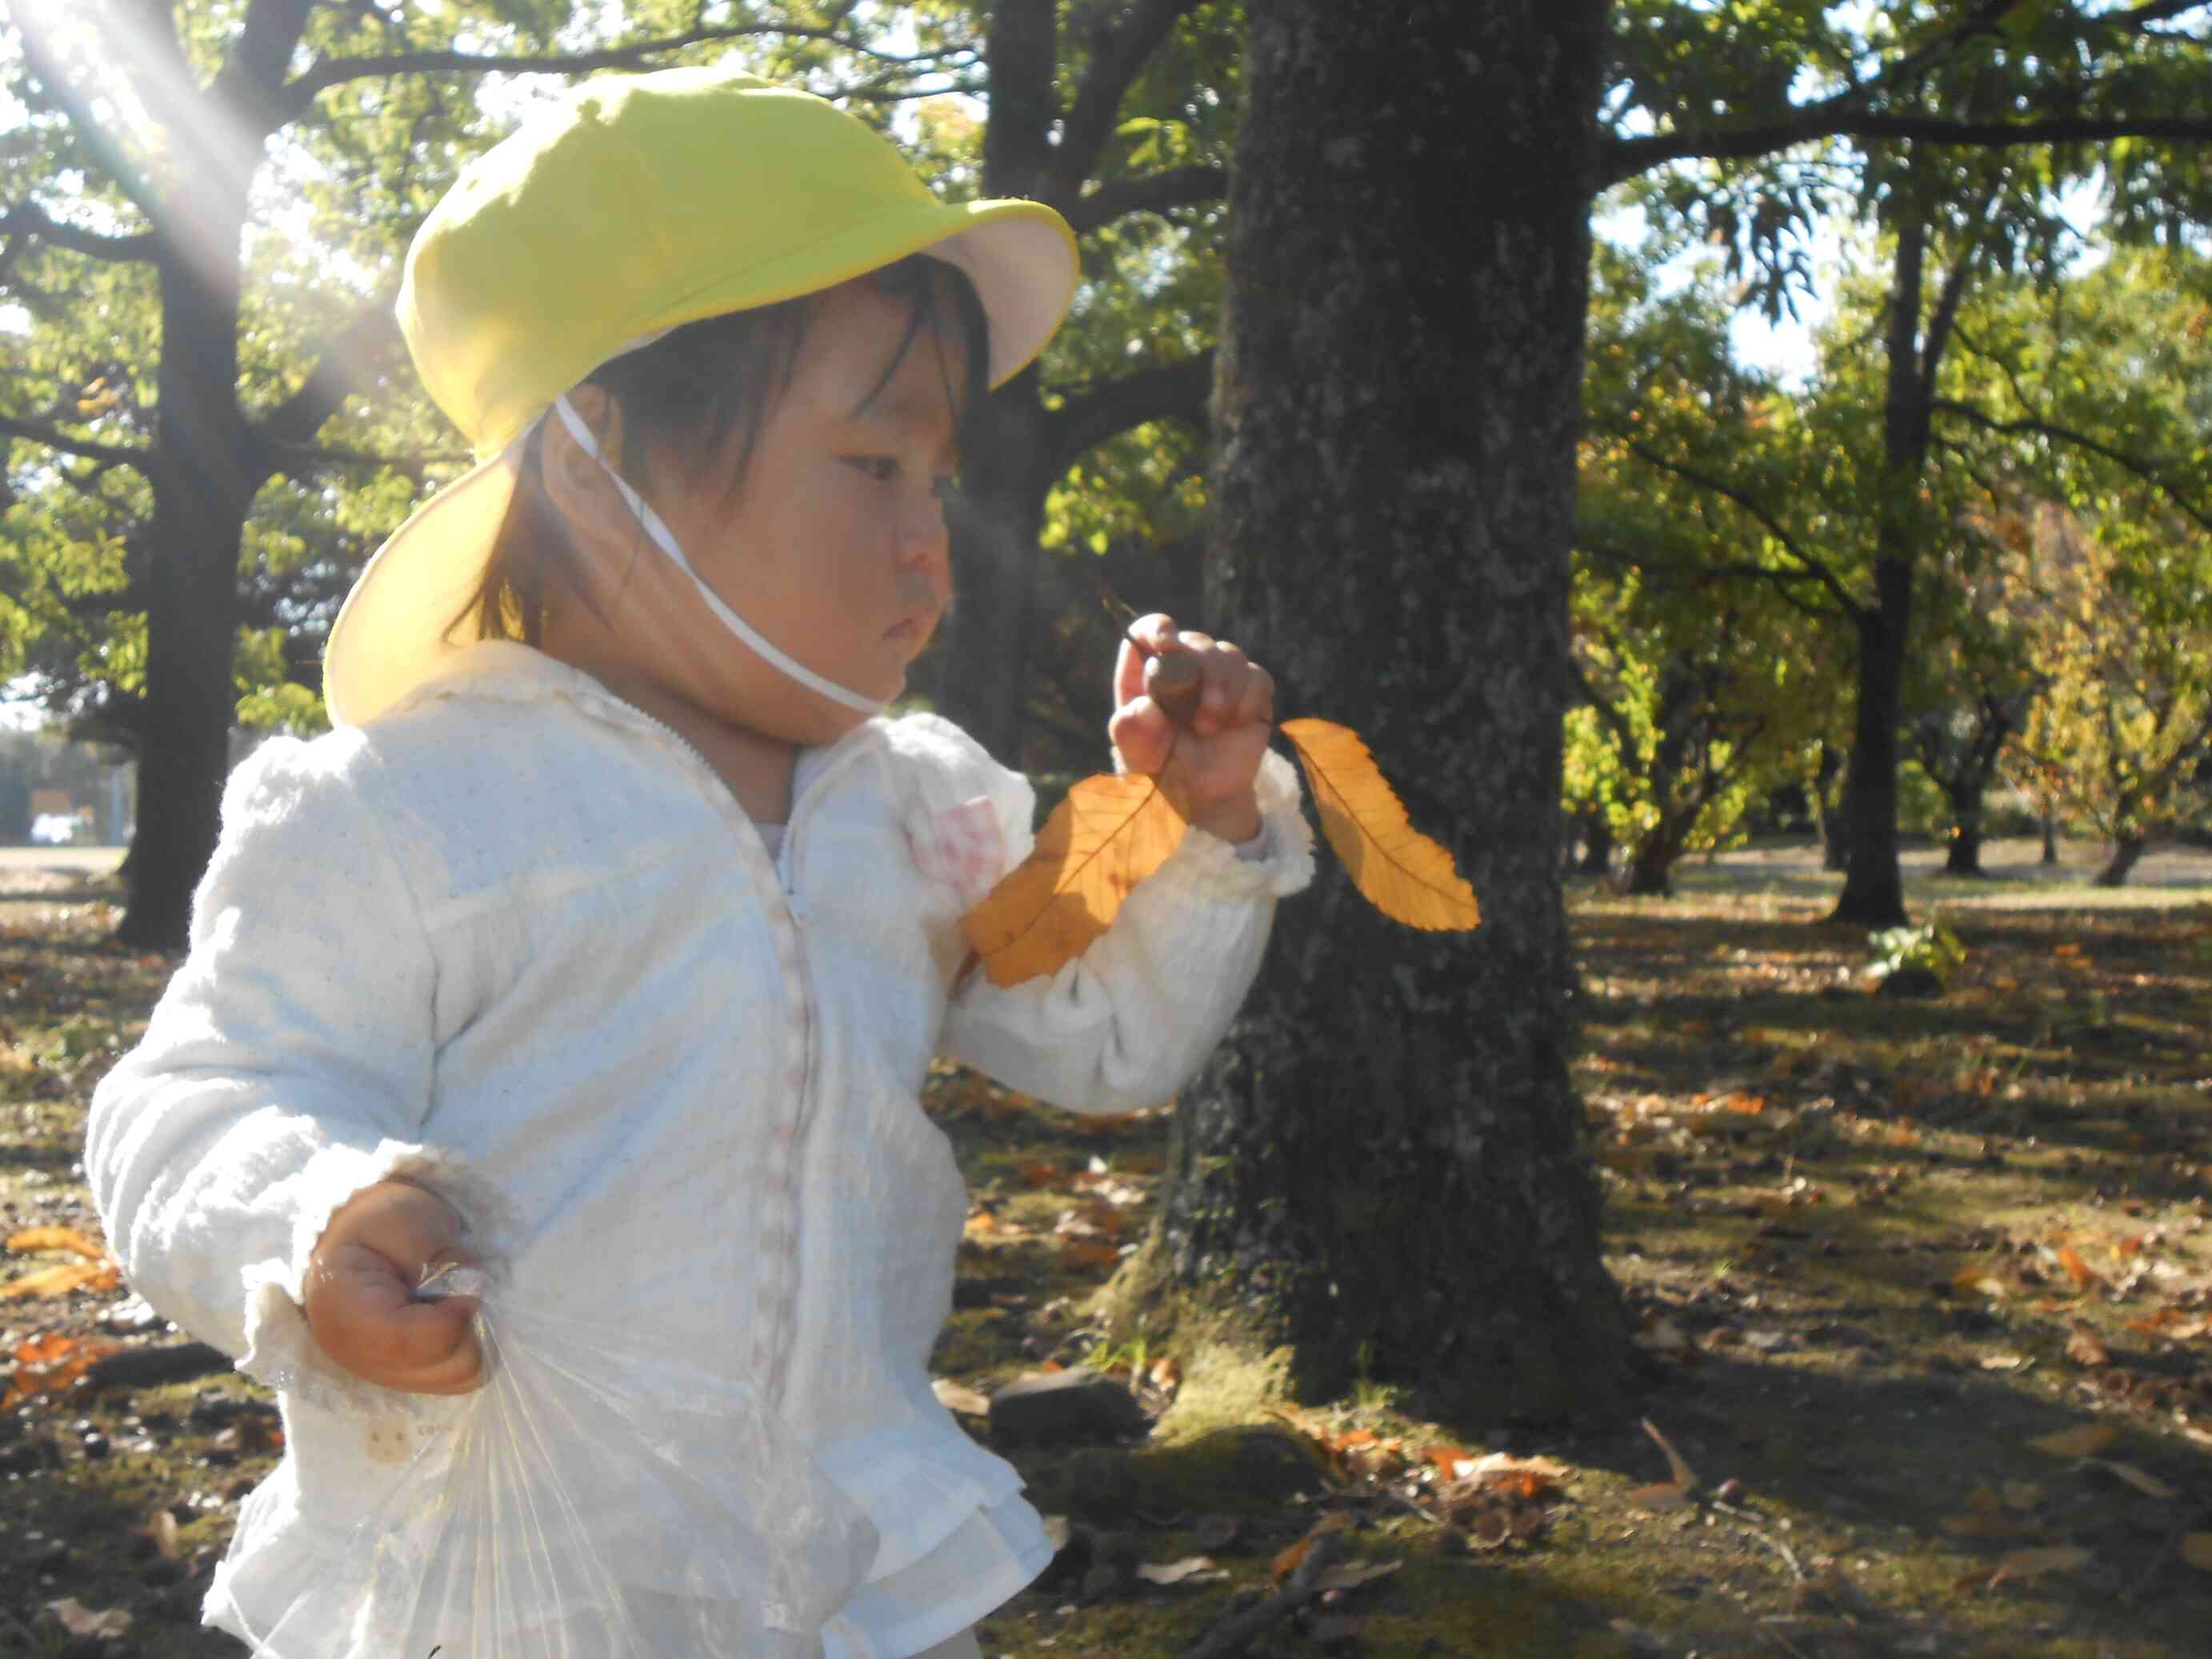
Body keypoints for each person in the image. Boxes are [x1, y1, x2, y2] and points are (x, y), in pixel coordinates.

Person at [84, 64, 1312, 1659]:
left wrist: (1200, 825)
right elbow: (192, 1096)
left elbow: (1109, 1026)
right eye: (874, 466)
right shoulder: (409, 808)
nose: (932, 540)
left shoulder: (916, 807)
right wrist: (310, 1220)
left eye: (936, 477)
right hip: (512, 1582)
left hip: (836, 1565)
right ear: (597, 475)